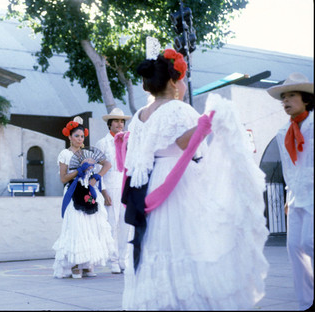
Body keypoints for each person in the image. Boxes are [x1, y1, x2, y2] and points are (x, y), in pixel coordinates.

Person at [121, 48, 269, 310]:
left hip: (150, 184)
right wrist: (206, 123)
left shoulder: (139, 116)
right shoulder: (178, 109)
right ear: (173, 81)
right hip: (177, 181)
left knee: (156, 243)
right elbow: (183, 142)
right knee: (188, 242)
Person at [267, 72, 314, 310]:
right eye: (283, 97)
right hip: (296, 196)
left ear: (306, 99)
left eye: (291, 96)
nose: (285, 101)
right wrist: (287, 197)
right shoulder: (281, 132)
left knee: (310, 242)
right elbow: (288, 168)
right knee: (294, 247)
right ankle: (306, 302)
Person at [52, 116, 115, 279]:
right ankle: (74, 264)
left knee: (90, 226)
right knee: (76, 226)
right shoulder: (65, 153)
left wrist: (96, 177)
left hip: (88, 189)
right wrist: (78, 171)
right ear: (69, 137)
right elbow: (63, 178)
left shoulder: (89, 153)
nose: (80, 139)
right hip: (73, 191)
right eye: (76, 136)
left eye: (82, 136)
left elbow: (107, 164)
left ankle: (88, 264)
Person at [95, 108, 133, 274]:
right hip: (110, 187)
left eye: (122, 121)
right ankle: (114, 260)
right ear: (109, 124)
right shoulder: (102, 143)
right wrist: (103, 192)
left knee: (126, 225)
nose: (120, 124)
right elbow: (97, 171)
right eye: (116, 121)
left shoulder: (129, 141)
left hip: (126, 187)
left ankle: (124, 259)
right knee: (112, 224)